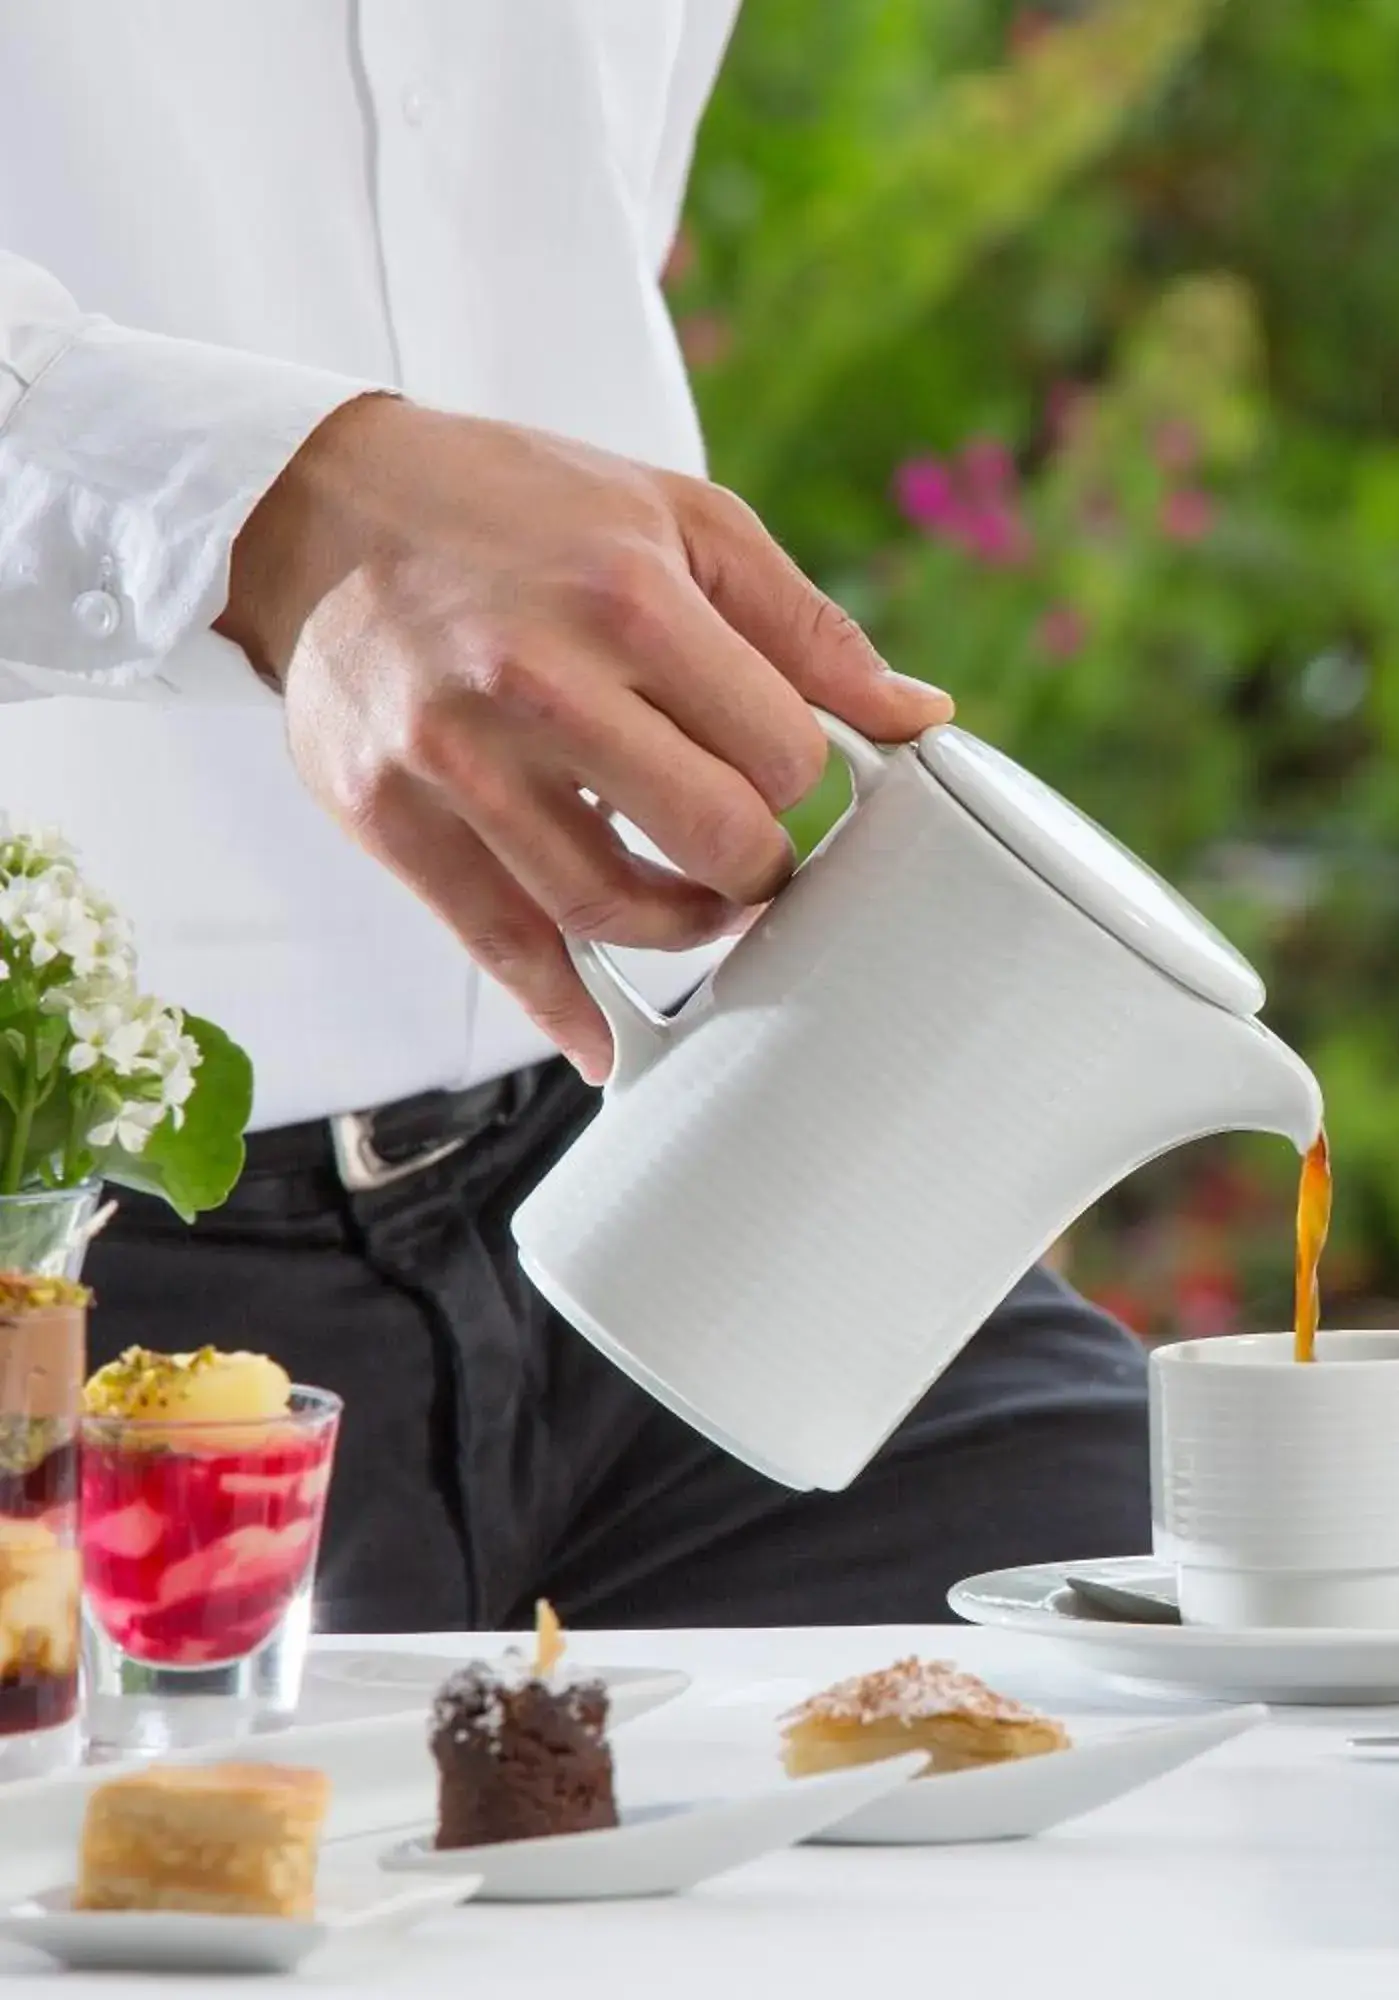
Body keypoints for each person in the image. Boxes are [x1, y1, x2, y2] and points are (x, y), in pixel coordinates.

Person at [0, 7, 1150, 1629]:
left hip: (657, 1136)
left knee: (1260, 1714)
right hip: (60, 1250)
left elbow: (576, 199)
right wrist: (258, 513)